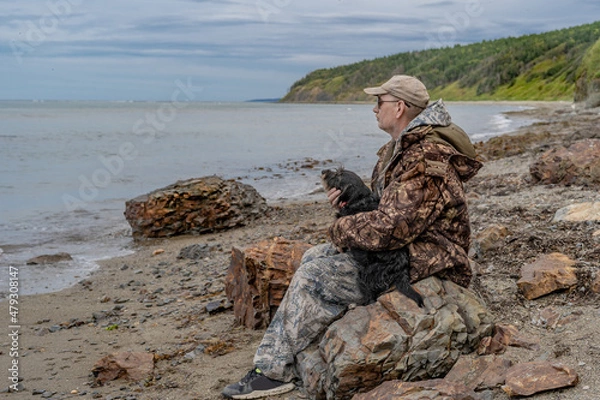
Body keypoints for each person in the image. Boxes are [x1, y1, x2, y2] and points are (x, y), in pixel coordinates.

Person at [221, 75, 483, 399]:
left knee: (313, 276)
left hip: (432, 259)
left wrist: (340, 228)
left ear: (399, 107)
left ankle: (272, 372)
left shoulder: (426, 158)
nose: (374, 110)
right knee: (313, 255)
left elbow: (390, 228)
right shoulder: (398, 150)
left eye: (379, 103)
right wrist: (347, 205)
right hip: (406, 249)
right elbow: (385, 206)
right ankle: (309, 332)